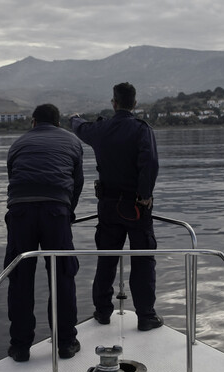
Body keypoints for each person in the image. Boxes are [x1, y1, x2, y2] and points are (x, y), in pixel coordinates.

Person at [69, 82, 162, 332]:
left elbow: (81, 128)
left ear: (114, 103)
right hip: (136, 207)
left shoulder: (101, 129)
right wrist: (145, 194)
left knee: (106, 259)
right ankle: (145, 316)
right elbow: (149, 162)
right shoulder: (142, 130)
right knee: (143, 260)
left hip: (108, 206)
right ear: (134, 103)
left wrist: (75, 118)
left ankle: (102, 312)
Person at [4, 103, 84, 361]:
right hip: (55, 211)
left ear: (33, 122)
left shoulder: (18, 143)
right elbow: (77, 182)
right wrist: (66, 212)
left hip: (20, 213)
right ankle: (66, 344)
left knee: (20, 278)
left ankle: (20, 347)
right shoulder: (72, 142)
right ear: (58, 123)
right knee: (62, 275)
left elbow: (13, 179)